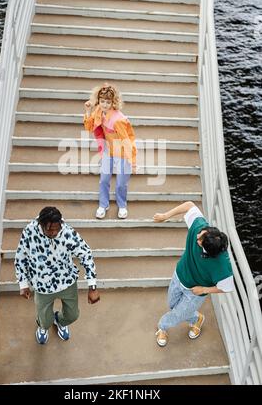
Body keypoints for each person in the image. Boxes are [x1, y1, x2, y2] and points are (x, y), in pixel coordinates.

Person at [14, 206, 100, 345]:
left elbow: (86, 254)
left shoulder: (67, 233)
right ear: (41, 225)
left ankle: (59, 321)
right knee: (44, 320)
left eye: (56, 228)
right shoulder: (29, 232)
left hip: (66, 280)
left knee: (73, 315)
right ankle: (43, 327)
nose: (54, 232)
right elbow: (20, 257)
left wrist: (93, 286)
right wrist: (23, 284)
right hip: (42, 285)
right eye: (49, 229)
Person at [153, 201, 234, 347]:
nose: (197, 237)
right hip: (180, 275)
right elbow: (189, 205)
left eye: (199, 241)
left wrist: (204, 290)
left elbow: (227, 287)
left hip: (195, 291)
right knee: (172, 305)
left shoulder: (222, 265)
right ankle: (196, 319)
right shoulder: (200, 228)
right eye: (201, 235)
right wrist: (165, 216)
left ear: (209, 252)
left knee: (177, 314)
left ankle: (162, 327)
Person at [84, 83, 137, 219]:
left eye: (108, 102)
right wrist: (88, 111)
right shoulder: (98, 111)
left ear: (113, 102)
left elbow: (126, 140)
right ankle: (103, 204)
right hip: (108, 148)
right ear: (98, 101)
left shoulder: (118, 120)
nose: (105, 105)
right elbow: (89, 127)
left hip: (122, 150)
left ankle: (122, 205)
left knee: (120, 182)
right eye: (102, 101)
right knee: (104, 179)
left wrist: (132, 161)